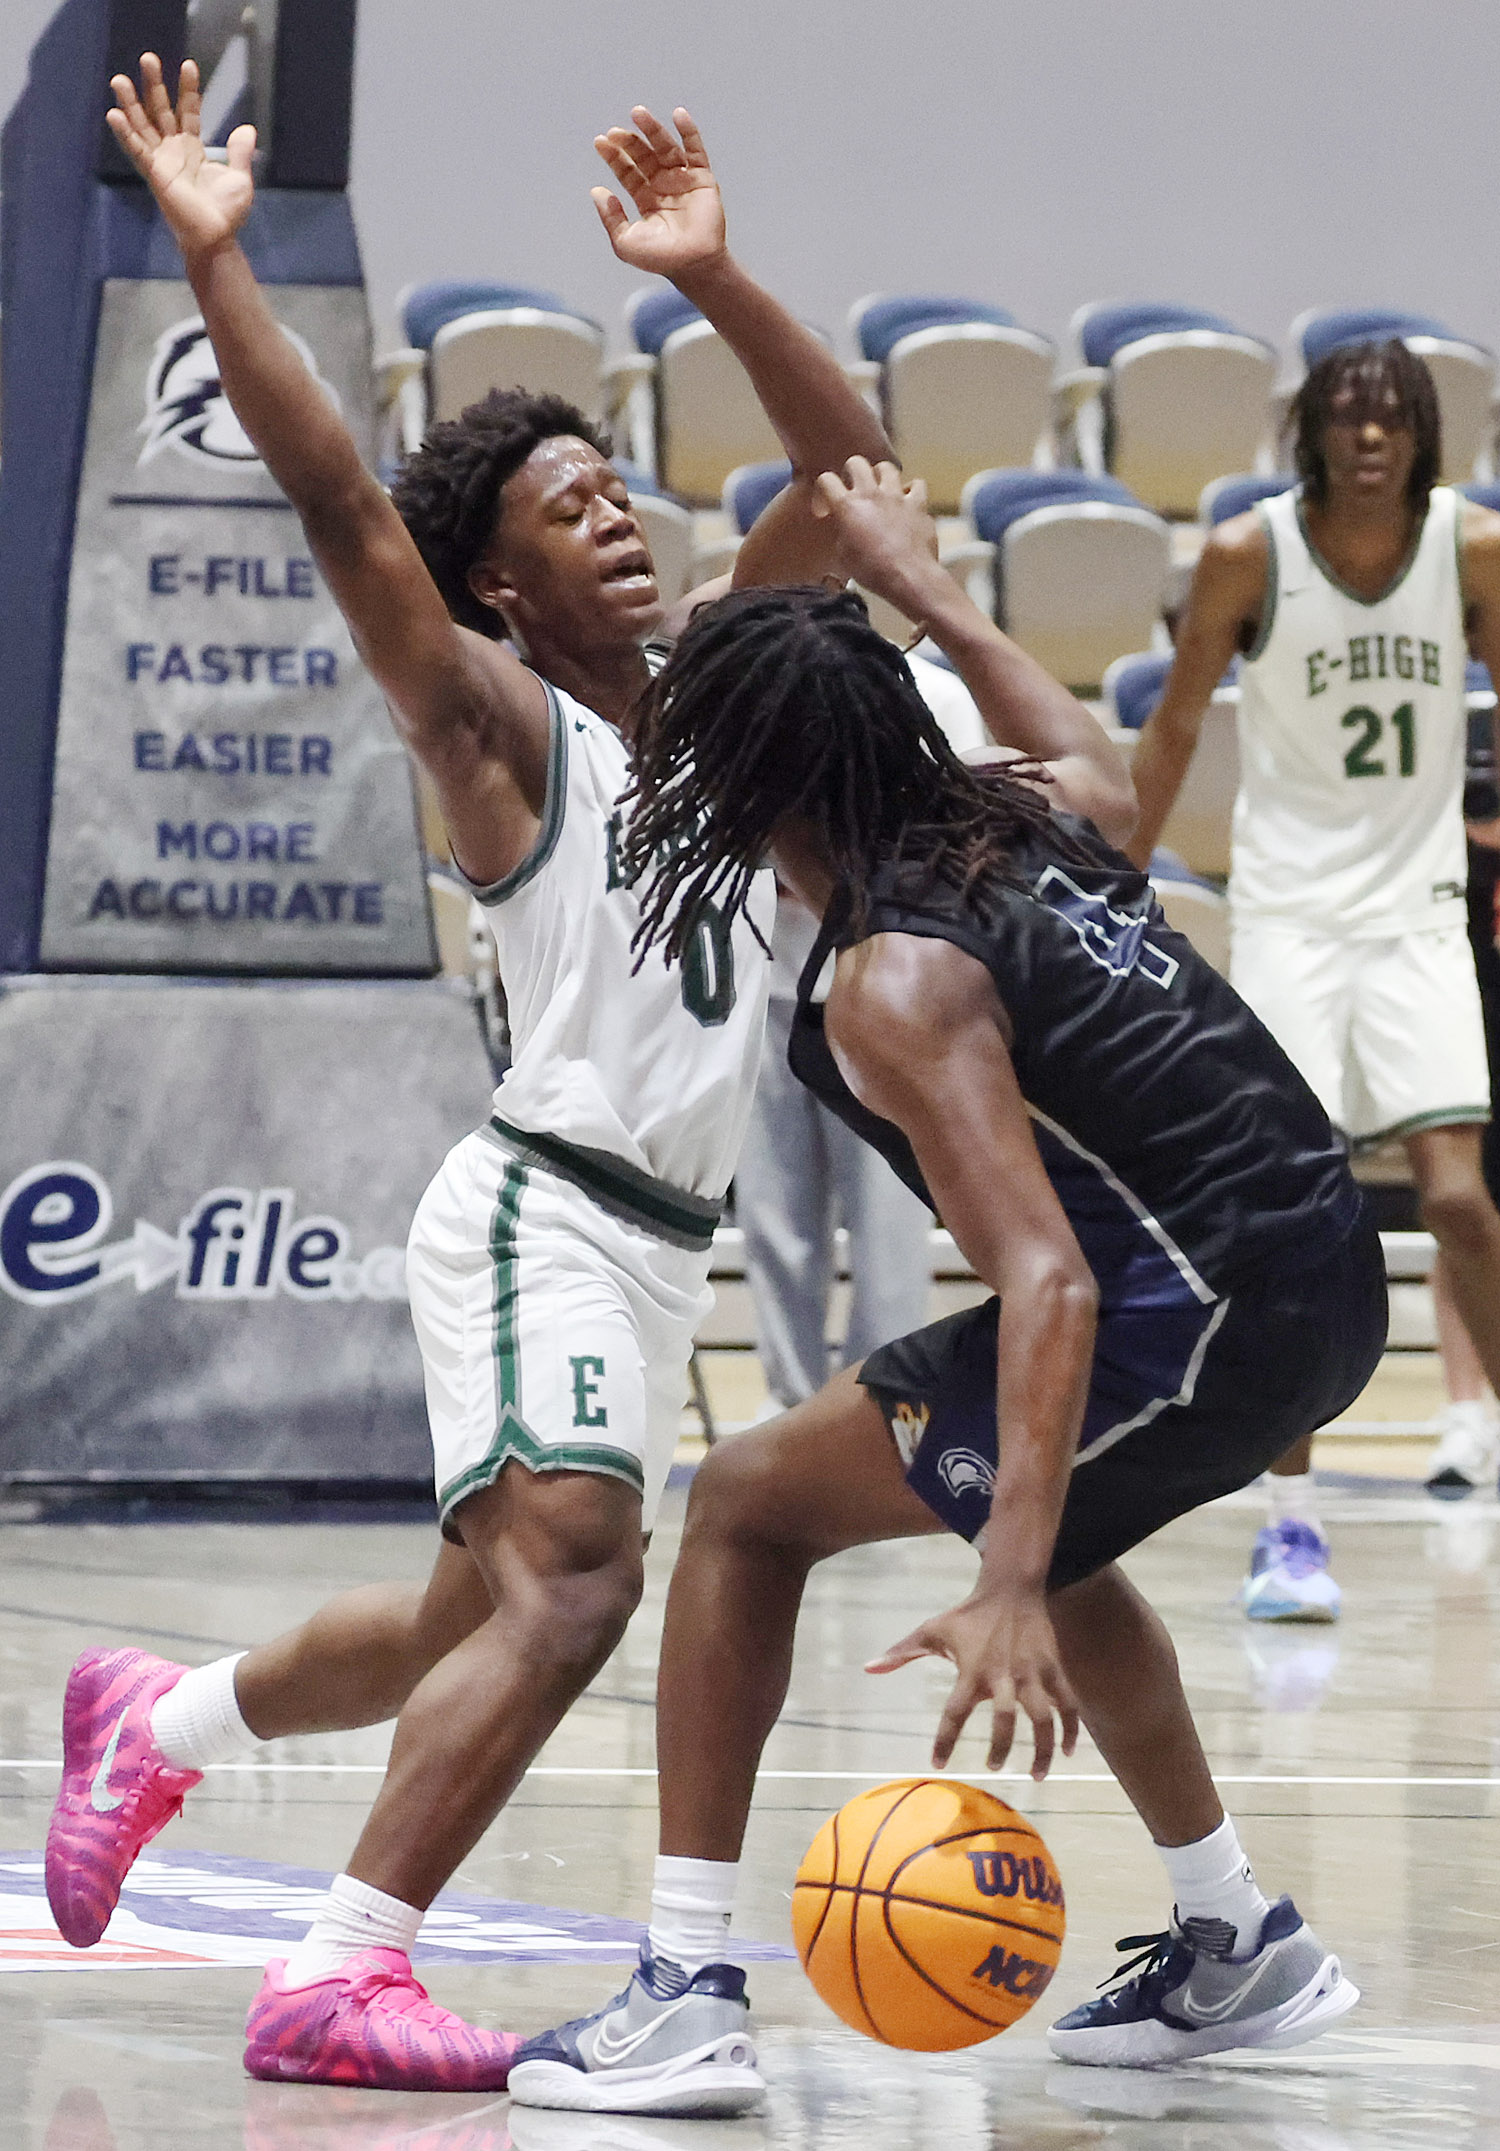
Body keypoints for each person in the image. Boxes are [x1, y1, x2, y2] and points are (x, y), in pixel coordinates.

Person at [45, 56, 891, 2092]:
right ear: (502, 588)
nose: (619, 511)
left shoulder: (729, 705)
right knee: (583, 1581)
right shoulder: (504, 728)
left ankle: (149, 1722)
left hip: (647, 1246)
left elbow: (857, 477)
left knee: (474, 1622)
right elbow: (343, 498)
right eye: (565, 506)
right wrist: (216, 258)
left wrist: (719, 275)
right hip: (546, 1206)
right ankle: (340, 1967)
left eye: (624, 485)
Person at [503, 459, 1382, 2116]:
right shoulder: (1004, 807)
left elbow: (1046, 1281)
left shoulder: (892, 979)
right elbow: (1117, 780)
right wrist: (932, 586)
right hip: (1294, 1255)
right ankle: (1233, 1932)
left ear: (741, 770)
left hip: (1199, 1306)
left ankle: (687, 1985)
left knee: (757, 1502)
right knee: (1033, 1503)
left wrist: (1005, 1578)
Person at [1124, 340, 1500, 1603]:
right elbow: (1177, 720)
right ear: (1314, 434)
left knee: (1459, 1203)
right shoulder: (1249, 552)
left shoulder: (1471, 546)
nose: (1372, 436)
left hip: (1418, 914)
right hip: (1290, 916)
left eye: (1393, 415)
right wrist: (1120, 862)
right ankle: (1291, 1519)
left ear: (1425, 432)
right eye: (1348, 415)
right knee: (1296, 1221)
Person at [738, 658, 985, 1413]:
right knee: (774, 1225)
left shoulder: (937, 695)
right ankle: (790, 1407)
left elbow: (965, 839)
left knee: (889, 1230)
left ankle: (880, 1416)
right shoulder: (745, 681)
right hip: (764, 977)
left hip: (889, 988)